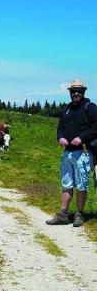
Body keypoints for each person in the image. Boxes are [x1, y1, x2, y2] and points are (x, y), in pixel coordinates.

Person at [47, 79, 97, 227]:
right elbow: (60, 127)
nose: (76, 93)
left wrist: (82, 138)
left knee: (82, 184)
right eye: (73, 91)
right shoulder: (66, 109)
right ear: (70, 92)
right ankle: (63, 214)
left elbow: (96, 127)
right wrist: (60, 137)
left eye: (79, 91)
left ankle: (79, 214)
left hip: (83, 152)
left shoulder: (90, 107)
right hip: (67, 152)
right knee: (66, 183)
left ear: (83, 92)